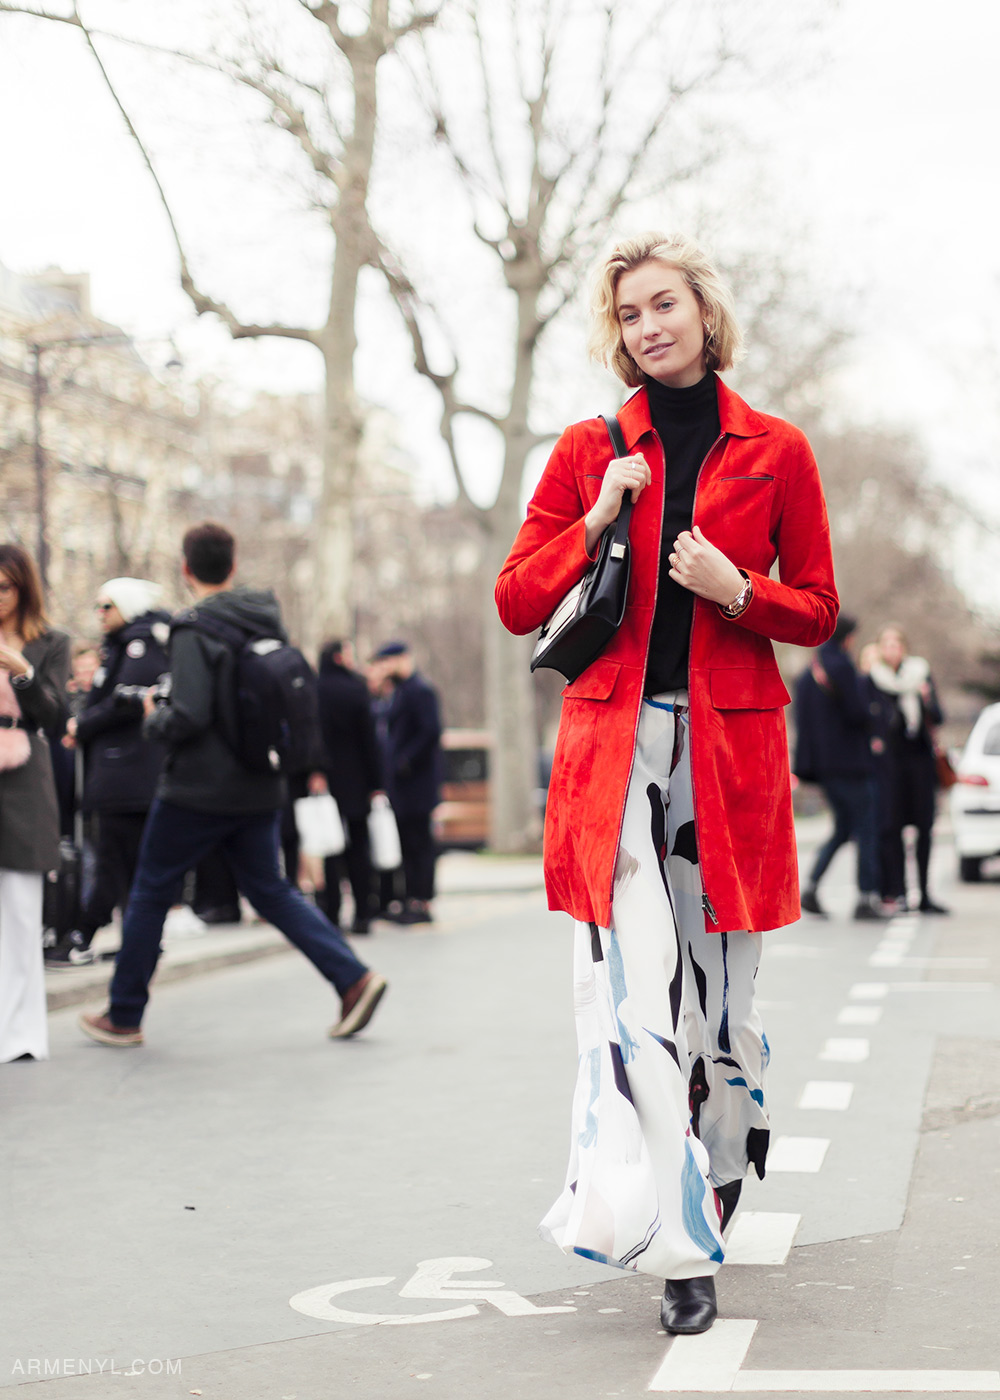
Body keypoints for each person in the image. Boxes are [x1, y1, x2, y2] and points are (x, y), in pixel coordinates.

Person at [495, 232, 838, 1335]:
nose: (648, 326)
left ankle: (723, 1152)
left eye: (663, 305)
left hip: (729, 760)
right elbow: (515, 598)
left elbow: (820, 607)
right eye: (629, 313)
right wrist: (597, 513)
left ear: (702, 312)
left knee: (723, 1018)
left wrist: (741, 589)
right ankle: (678, 1244)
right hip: (613, 757)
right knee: (638, 1002)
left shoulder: (777, 449)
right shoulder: (589, 449)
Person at [77, 523, 387, 1048]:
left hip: (197, 790)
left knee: (151, 889)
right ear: (234, 565)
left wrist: (155, 718)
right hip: (260, 783)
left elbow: (191, 713)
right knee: (271, 890)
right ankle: (353, 979)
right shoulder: (262, 621)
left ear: (185, 568)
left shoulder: (194, 627)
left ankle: (124, 1013)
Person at [47, 579, 171, 966]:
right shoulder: (123, 644)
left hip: (129, 776)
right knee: (126, 864)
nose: (99, 615)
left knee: (116, 862)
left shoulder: (141, 643)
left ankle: (83, 935)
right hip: (120, 775)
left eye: (107, 607)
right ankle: (140, 940)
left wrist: (80, 725)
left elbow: (125, 701)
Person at [0, 543, 70, 1062]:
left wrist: (20, 669)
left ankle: (20, 1034)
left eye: (3, 587)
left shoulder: (50, 643)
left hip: (24, 778)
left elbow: (51, 716)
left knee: (23, 912)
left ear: (23, 589)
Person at [793, 614, 888, 922]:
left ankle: (810, 887)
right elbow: (859, 713)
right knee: (867, 827)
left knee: (844, 828)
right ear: (847, 637)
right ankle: (866, 898)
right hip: (852, 764)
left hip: (824, 768)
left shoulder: (810, 672)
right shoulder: (843, 668)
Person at [867, 624, 948, 915]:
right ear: (880, 649)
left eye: (896, 643)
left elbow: (939, 716)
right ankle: (899, 892)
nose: (892, 649)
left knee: (925, 827)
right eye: (886, 643)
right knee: (893, 828)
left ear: (904, 647)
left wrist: (926, 699)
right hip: (890, 765)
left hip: (920, 762)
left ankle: (925, 894)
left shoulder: (920, 674)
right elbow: (868, 720)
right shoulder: (873, 680)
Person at [372, 641, 442, 925]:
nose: (385, 668)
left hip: (417, 785)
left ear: (402, 659)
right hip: (403, 786)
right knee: (408, 844)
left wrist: (404, 761)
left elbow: (430, 731)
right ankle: (411, 898)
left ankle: (421, 902)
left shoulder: (420, 691)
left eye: (388, 661)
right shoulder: (399, 692)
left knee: (419, 845)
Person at [316, 640, 384, 933]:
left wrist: (315, 771)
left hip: (326, 781)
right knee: (359, 848)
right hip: (357, 780)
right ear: (338, 657)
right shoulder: (357, 690)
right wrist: (376, 782)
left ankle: (330, 912)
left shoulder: (315, 689)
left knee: (328, 847)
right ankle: (363, 913)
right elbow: (370, 741)